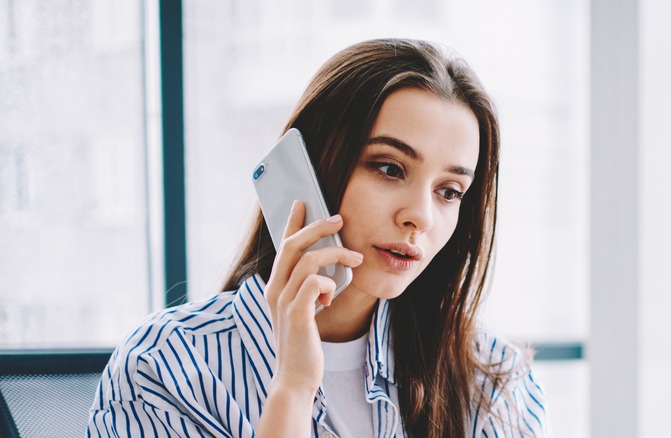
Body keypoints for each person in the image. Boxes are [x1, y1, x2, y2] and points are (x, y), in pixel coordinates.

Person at [87, 38, 549, 438]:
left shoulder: (490, 376)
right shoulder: (167, 366)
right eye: (389, 168)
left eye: (449, 191)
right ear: (308, 168)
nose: (421, 217)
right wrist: (291, 389)